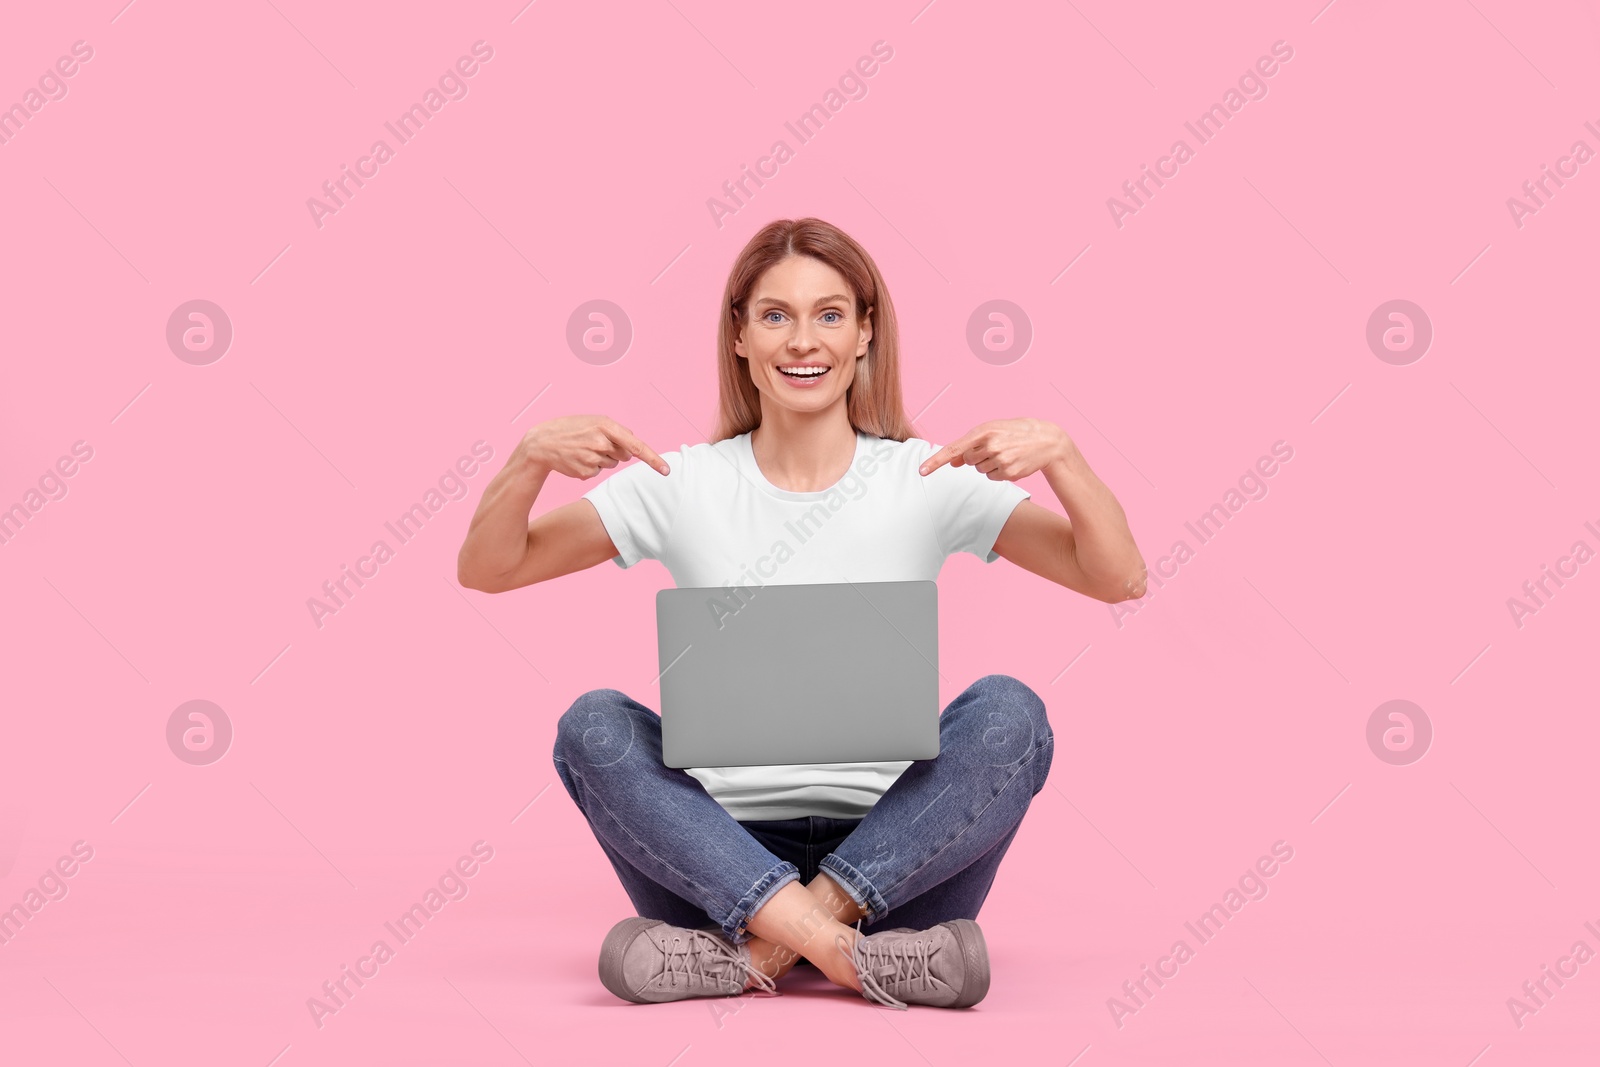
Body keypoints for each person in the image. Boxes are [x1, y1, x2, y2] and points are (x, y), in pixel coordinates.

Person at [457, 217, 1146, 1010]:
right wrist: (528, 460)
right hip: (717, 866)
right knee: (593, 726)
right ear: (740, 337)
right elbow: (489, 567)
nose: (801, 340)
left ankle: (750, 958)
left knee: (1012, 713)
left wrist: (1063, 455)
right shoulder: (679, 483)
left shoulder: (927, 478)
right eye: (775, 315)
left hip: (902, 866)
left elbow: (1117, 575)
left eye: (829, 313)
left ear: (864, 335)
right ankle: (848, 958)